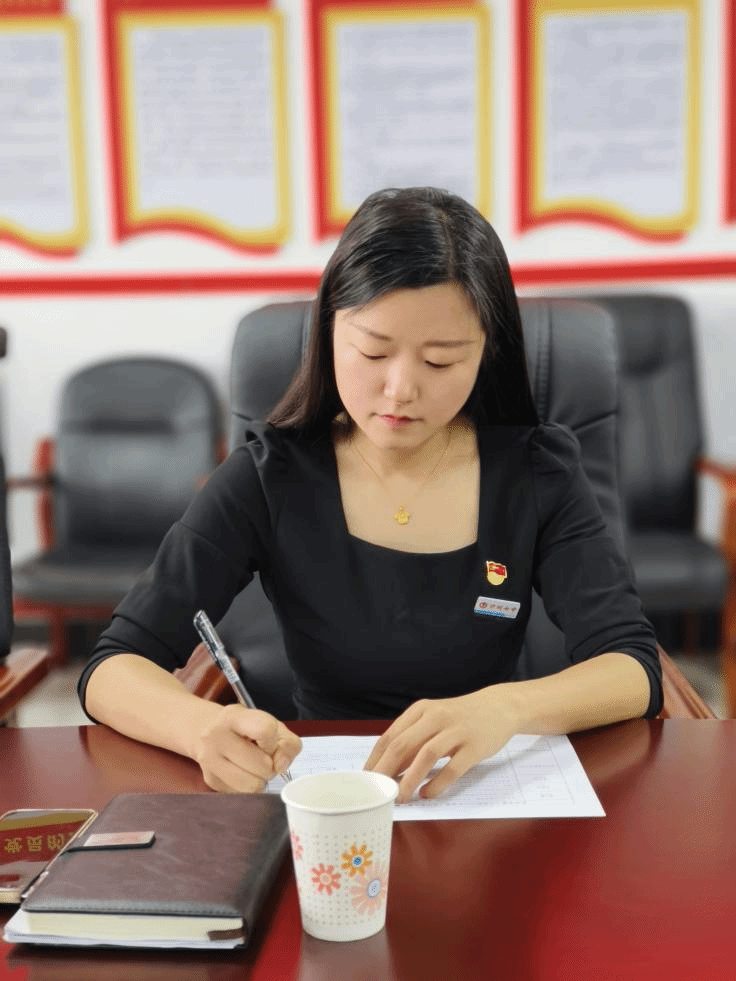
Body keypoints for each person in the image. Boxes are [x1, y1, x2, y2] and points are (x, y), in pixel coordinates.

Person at [80, 186, 662, 803]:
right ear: (329, 330)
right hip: (324, 800)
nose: (400, 389)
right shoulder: (268, 477)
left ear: (487, 353)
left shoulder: (534, 472)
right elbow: (112, 666)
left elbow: (632, 666)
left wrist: (508, 708)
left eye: (440, 362)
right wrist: (201, 730)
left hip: (478, 794)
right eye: (373, 351)